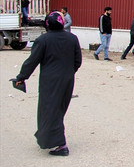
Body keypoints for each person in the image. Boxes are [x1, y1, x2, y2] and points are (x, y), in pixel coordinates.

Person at [11, 12, 82, 156]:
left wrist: (21, 77)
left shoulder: (43, 40)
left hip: (50, 81)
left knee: (50, 110)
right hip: (67, 79)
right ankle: (47, 138)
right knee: (58, 109)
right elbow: (77, 61)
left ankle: (61, 145)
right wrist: (68, 72)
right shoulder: (72, 38)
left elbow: (32, 61)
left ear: (47, 24)